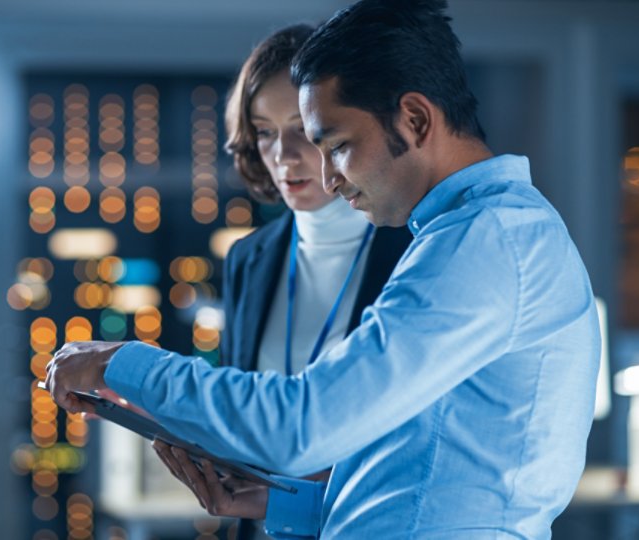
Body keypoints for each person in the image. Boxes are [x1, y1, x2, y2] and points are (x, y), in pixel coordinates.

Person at [46, 0, 601, 537]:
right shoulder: (464, 236)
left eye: (336, 145)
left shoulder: (486, 242)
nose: (329, 178)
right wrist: (291, 504)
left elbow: (302, 426)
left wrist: (120, 362)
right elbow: (429, 489)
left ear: (413, 119)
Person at [151, 24, 412, 539]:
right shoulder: (250, 258)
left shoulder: (412, 248)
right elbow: (244, 407)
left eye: (305, 129)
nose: (284, 155)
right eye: (265, 132)